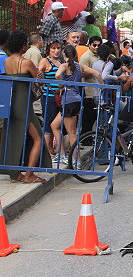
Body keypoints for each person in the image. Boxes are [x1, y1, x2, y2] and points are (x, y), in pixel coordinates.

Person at [1, 31, 48, 183]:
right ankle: (29, 174)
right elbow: (39, 80)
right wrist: (40, 75)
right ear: (22, 46)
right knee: (38, 139)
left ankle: (16, 174)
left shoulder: (7, 62)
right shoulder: (26, 62)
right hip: (24, 105)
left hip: (12, 104)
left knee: (14, 137)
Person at [51, 46, 103, 164]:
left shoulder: (64, 66)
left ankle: (77, 160)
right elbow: (97, 74)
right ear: (75, 55)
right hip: (75, 99)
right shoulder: (80, 66)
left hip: (69, 100)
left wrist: (62, 85)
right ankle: (62, 154)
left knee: (72, 133)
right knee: (54, 125)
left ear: (64, 54)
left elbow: (57, 75)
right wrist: (102, 88)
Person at [38, 40, 63, 159]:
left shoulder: (60, 62)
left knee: (55, 125)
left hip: (59, 97)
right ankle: (47, 152)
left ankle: (51, 149)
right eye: (53, 48)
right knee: (48, 125)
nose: (56, 51)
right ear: (49, 49)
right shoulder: (45, 61)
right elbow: (38, 74)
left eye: (58, 48)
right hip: (49, 97)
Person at [79, 36, 102, 135]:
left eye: (98, 45)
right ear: (89, 45)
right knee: (88, 118)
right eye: (94, 45)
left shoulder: (100, 56)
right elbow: (82, 72)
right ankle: (85, 137)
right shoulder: (86, 56)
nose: (96, 47)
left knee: (95, 117)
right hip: (89, 91)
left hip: (97, 91)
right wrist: (94, 71)